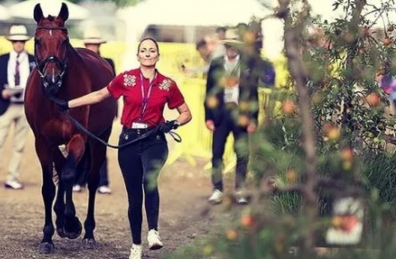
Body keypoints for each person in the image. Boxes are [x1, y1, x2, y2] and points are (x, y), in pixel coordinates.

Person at [52, 37, 192, 259]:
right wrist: (67, 104)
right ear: (138, 55)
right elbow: (99, 95)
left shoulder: (168, 84)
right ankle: (136, 245)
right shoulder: (125, 79)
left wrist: (173, 123)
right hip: (129, 141)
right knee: (134, 196)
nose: (147, 53)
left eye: (152, 50)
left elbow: (186, 113)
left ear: (157, 55)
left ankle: (153, 232)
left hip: (154, 140)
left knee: (150, 180)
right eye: (143, 50)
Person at [205, 31, 260, 205]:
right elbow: (209, 92)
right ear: (226, 46)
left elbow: (253, 93)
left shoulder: (247, 66)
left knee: (242, 153)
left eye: (235, 45)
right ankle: (217, 189)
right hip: (221, 115)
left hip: (241, 115)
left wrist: (253, 119)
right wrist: (208, 117)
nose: (231, 49)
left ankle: (240, 189)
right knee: (216, 153)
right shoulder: (216, 64)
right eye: (229, 45)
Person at [0, 25, 37, 190]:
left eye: (21, 41)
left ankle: (12, 177)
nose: (18, 44)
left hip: (25, 107)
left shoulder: (34, 61)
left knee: (19, 145)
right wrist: (2, 92)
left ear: (25, 42)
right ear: (11, 42)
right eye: (16, 41)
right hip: (6, 105)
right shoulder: (1, 60)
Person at [72, 31, 117, 195]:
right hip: (84, 109)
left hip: (102, 109)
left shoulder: (108, 62)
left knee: (100, 145)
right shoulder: (79, 63)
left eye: (95, 45)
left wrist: (114, 109)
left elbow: (115, 87)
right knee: (81, 144)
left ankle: (102, 181)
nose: (93, 47)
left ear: (99, 46)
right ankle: (79, 180)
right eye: (90, 45)